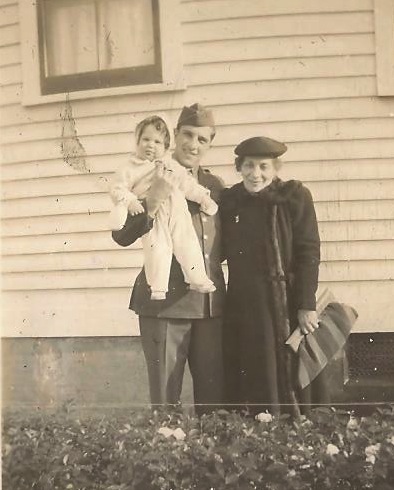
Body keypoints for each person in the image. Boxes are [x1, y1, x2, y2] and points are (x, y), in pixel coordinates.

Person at [112, 103, 225, 415]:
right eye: (187, 135)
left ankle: (210, 462)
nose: (193, 144)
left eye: (203, 139)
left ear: (210, 144)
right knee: (165, 399)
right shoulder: (148, 172)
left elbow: (223, 245)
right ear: (174, 136)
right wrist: (153, 199)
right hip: (163, 304)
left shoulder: (214, 186)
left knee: (213, 399)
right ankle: (167, 461)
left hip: (209, 306)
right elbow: (121, 235)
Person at [219, 136, 330, 417]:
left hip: (287, 301)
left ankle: (297, 429)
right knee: (254, 366)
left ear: (276, 167)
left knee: (291, 366)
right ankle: (259, 430)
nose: (256, 174)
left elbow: (308, 251)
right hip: (244, 303)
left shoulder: (293, 197)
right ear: (238, 167)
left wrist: (306, 304)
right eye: (249, 166)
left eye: (264, 167)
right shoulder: (231, 201)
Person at [108, 115, 218, 300]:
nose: (151, 145)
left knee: (187, 240)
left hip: (176, 209)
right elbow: (117, 189)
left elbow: (188, 185)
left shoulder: (174, 167)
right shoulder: (129, 168)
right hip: (155, 214)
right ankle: (158, 288)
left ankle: (198, 278)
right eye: (146, 139)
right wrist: (132, 201)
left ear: (165, 146)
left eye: (157, 142)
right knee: (158, 246)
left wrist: (204, 199)